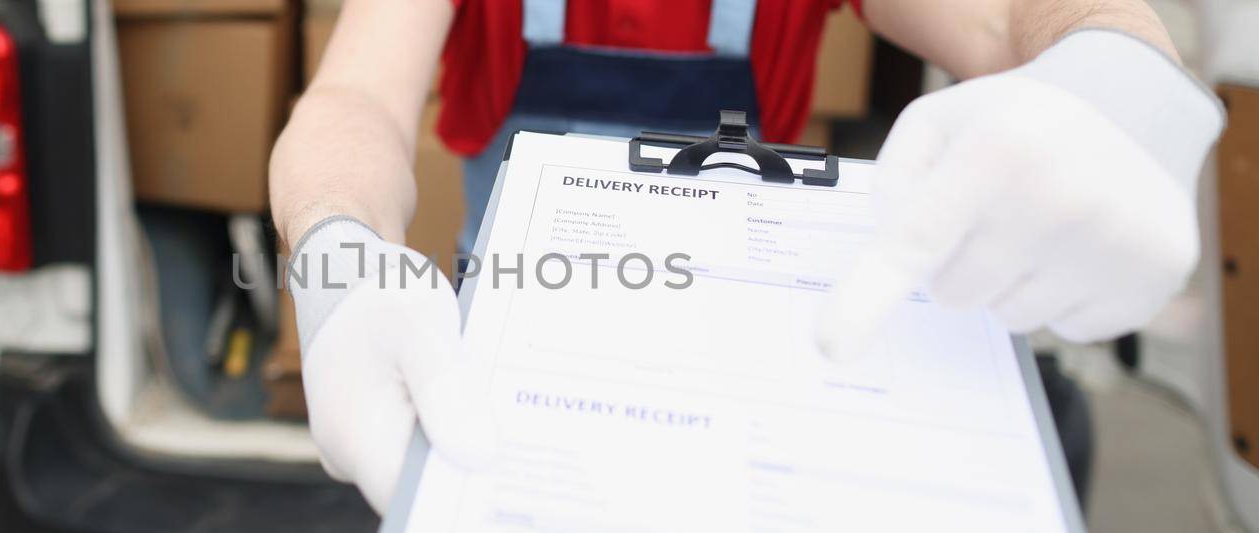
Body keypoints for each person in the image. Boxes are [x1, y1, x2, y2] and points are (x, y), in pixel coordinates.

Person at [267, 0, 1224, 513]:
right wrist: (338, 252)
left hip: (742, 348)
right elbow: (355, 99)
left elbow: (1004, 14)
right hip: (510, 354)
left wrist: (1118, 79)